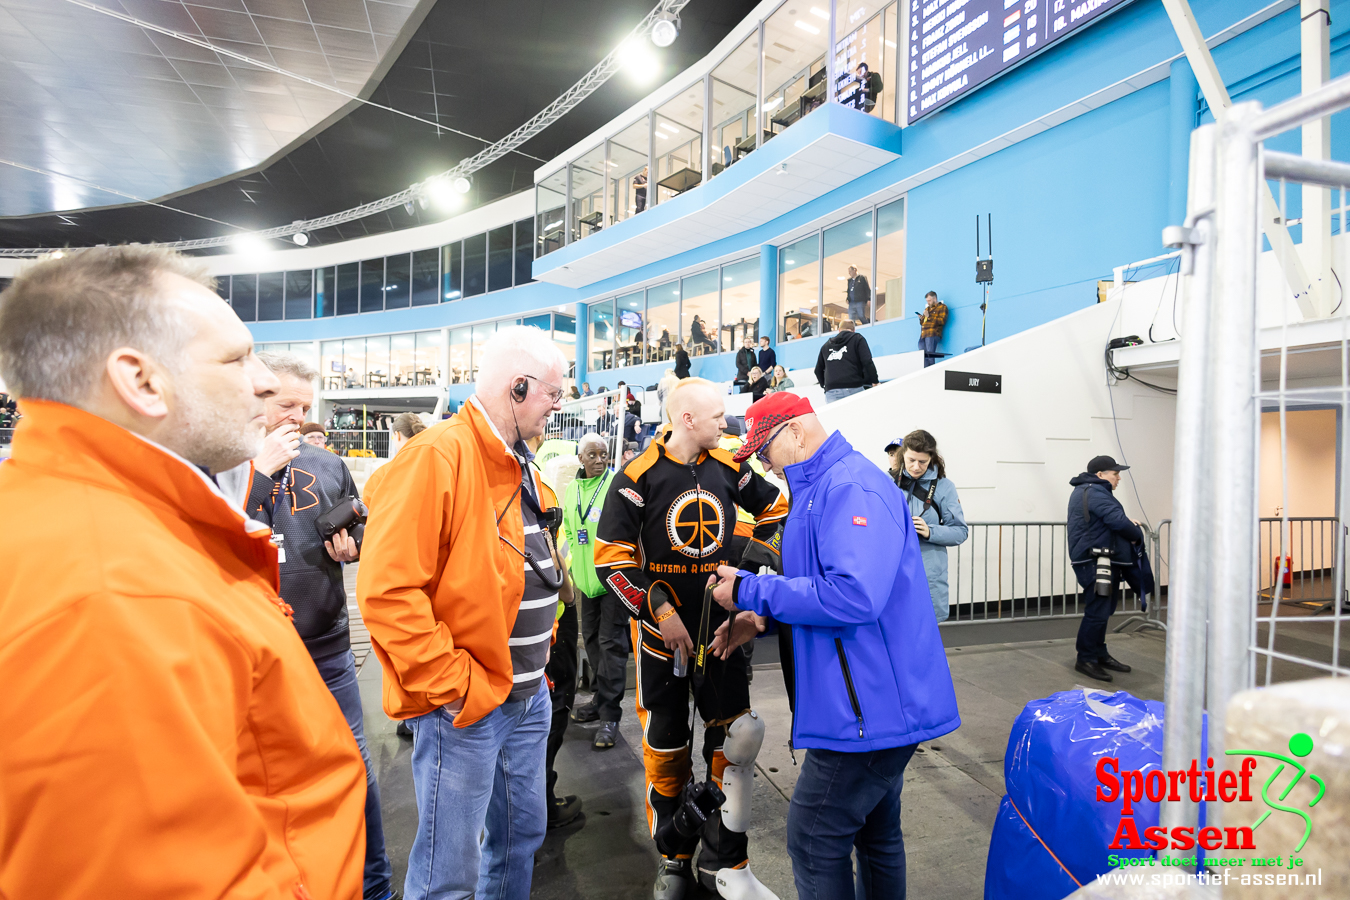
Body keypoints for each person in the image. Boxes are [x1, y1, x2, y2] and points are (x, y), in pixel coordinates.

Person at [0, 247, 366, 896]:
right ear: (141, 381)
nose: (262, 382)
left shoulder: (108, 525)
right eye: (236, 358)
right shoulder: (116, 597)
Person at [708, 391, 960, 900]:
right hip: (872, 703)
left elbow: (853, 595)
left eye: (764, 450)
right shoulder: (828, 486)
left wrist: (751, 589)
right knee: (876, 833)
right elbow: (820, 581)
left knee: (814, 837)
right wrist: (761, 615)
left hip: (867, 709)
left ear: (796, 433)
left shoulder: (848, 488)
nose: (763, 464)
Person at [358, 325, 567, 900]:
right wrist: (459, 686)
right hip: (470, 706)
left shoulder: (517, 459)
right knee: (448, 873)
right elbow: (389, 594)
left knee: (520, 837)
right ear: (519, 388)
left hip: (526, 696)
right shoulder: (437, 455)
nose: (558, 407)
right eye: (554, 395)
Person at [594, 377, 790, 900]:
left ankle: (726, 860)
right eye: (717, 416)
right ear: (686, 419)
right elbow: (611, 561)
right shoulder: (636, 477)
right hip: (663, 645)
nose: (725, 424)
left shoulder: (730, 467)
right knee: (666, 750)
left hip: (723, 637)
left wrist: (742, 559)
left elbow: (777, 511)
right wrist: (658, 610)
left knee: (736, 742)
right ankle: (674, 857)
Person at [238, 352, 395, 900]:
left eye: (305, 407)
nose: (297, 418)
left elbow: (358, 524)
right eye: (286, 405)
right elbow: (220, 536)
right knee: (266, 782)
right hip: (254, 654)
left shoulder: (327, 464)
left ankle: (375, 887)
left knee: (355, 768)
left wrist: (353, 545)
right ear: (256, 397)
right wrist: (260, 470)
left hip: (326, 646)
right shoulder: (229, 464)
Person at [565, 435, 626, 751]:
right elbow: (570, 531)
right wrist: (573, 569)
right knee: (592, 643)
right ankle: (601, 700)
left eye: (603, 454)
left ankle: (610, 717)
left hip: (614, 583)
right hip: (585, 584)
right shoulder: (572, 489)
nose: (600, 460)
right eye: (592, 454)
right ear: (580, 458)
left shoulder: (615, 484)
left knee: (610, 646)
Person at [1067, 455, 1144, 683]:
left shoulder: (1089, 491)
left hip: (1096, 558)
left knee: (1103, 609)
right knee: (1098, 610)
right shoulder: (1096, 492)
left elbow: (1108, 520)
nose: (1119, 478)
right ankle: (1086, 659)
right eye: (1115, 473)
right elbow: (1118, 522)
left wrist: (1124, 520)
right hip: (1094, 559)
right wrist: (1135, 534)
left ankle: (1099, 654)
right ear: (1100, 475)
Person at [887, 430, 968, 623]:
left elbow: (960, 531)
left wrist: (931, 531)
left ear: (931, 458)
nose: (916, 467)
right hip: (893, 570)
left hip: (929, 574)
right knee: (893, 633)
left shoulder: (944, 486)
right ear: (902, 455)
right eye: (911, 460)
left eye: (922, 462)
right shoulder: (887, 482)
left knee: (927, 637)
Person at [814, 319, 878, 403]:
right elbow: (867, 361)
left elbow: (818, 370)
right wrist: (875, 381)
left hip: (832, 391)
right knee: (860, 415)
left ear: (839, 330)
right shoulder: (857, 338)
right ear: (853, 330)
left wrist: (825, 385)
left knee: (835, 416)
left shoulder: (826, 346)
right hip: (854, 386)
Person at [918, 291, 947, 367]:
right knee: (922, 355)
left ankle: (931, 371)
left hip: (932, 333)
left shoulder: (942, 307)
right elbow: (923, 322)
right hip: (923, 334)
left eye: (929, 300)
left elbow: (942, 321)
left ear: (935, 298)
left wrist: (929, 317)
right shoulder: (928, 308)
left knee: (930, 354)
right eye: (927, 301)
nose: (928, 302)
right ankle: (925, 371)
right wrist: (921, 318)